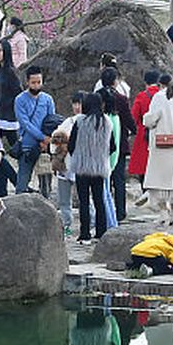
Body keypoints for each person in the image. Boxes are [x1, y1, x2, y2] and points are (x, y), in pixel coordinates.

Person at [140, 78, 173, 226]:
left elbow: (150, 119)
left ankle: (164, 213)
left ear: (160, 85)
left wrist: (146, 119)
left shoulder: (159, 97)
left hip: (162, 146)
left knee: (160, 181)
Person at [67, 92, 112, 242]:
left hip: (81, 166)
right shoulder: (107, 122)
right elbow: (112, 146)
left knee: (84, 201)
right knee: (100, 201)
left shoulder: (80, 121)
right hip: (99, 167)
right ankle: (101, 232)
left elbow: (71, 145)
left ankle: (84, 233)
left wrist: (79, 154)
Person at [14, 67, 54, 193]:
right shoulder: (20, 100)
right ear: (27, 82)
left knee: (45, 187)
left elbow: (52, 120)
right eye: (33, 83)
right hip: (27, 146)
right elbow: (25, 124)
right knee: (22, 184)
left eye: (39, 82)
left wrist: (47, 140)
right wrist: (43, 137)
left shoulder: (48, 99)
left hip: (44, 147)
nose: (36, 85)